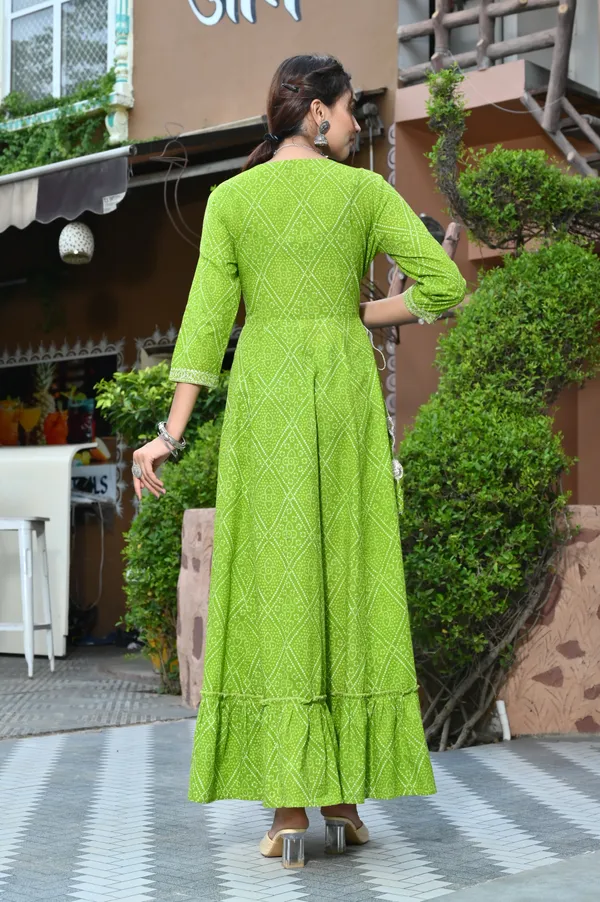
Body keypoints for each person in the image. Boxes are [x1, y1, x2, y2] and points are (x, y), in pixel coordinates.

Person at [131, 54, 466, 869]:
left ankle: (288, 809)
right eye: (349, 111)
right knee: (347, 580)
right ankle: (343, 802)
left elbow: (206, 325)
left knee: (279, 586)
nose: (354, 125)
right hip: (344, 401)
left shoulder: (232, 200)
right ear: (317, 111)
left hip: (267, 403)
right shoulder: (364, 193)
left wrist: (169, 434)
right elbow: (444, 285)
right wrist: (357, 315)